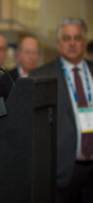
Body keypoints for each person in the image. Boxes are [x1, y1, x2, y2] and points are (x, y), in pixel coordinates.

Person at [30, 17, 93, 203]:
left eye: (77, 38)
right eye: (67, 38)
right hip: (62, 171)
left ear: (84, 42)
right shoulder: (41, 76)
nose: (72, 43)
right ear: (58, 43)